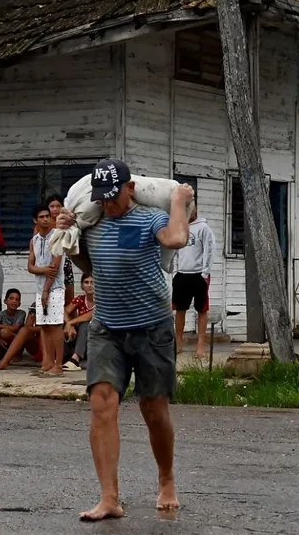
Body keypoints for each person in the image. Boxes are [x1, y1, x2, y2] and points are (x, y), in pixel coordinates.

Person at [57, 158, 192, 521]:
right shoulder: (94, 223)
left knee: (154, 409)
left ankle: (166, 480)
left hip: (152, 328)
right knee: (102, 403)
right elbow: (89, 265)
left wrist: (179, 201)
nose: (108, 204)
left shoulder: (149, 219)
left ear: (130, 189)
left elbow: (178, 238)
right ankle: (109, 498)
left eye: (114, 196)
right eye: (101, 198)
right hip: (107, 328)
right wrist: (69, 232)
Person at [172, 208, 216, 358]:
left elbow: (209, 250)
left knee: (201, 309)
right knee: (180, 309)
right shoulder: (180, 226)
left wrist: (205, 273)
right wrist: (175, 271)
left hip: (199, 275)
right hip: (182, 274)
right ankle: (178, 341)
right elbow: (175, 250)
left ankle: (200, 345)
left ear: (195, 208)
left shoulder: (203, 228)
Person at [30, 204, 66, 376]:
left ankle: (58, 364)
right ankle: (48, 361)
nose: (45, 219)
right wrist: (42, 270)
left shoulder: (57, 237)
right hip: (39, 288)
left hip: (55, 288)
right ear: (35, 220)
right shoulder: (34, 240)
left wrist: (46, 290)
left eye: (47, 216)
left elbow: (55, 267)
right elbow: (30, 266)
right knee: (44, 326)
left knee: (55, 326)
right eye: (41, 217)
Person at [47, 195, 76, 308]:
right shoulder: (44, 224)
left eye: (58, 206)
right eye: (52, 206)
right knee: (51, 294)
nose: (55, 209)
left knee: (69, 295)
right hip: (50, 262)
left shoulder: (67, 222)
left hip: (66, 261)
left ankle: (69, 322)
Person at [62, 273, 95, 371]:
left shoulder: (102, 300)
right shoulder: (80, 299)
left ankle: (75, 359)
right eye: (86, 282)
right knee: (60, 325)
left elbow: (90, 316)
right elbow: (64, 311)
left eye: (92, 282)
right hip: (81, 338)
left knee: (85, 325)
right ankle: (62, 356)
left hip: (96, 339)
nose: (89, 285)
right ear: (82, 286)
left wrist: (71, 322)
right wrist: (68, 323)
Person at [0, 289, 26, 357]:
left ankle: (16, 354)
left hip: (17, 343)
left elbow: (14, 328)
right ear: (5, 301)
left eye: (17, 299)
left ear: (19, 304)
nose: (14, 301)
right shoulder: (1, 314)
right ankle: (2, 351)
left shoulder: (21, 313)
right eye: (11, 298)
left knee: (4, 332)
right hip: (4, 342)